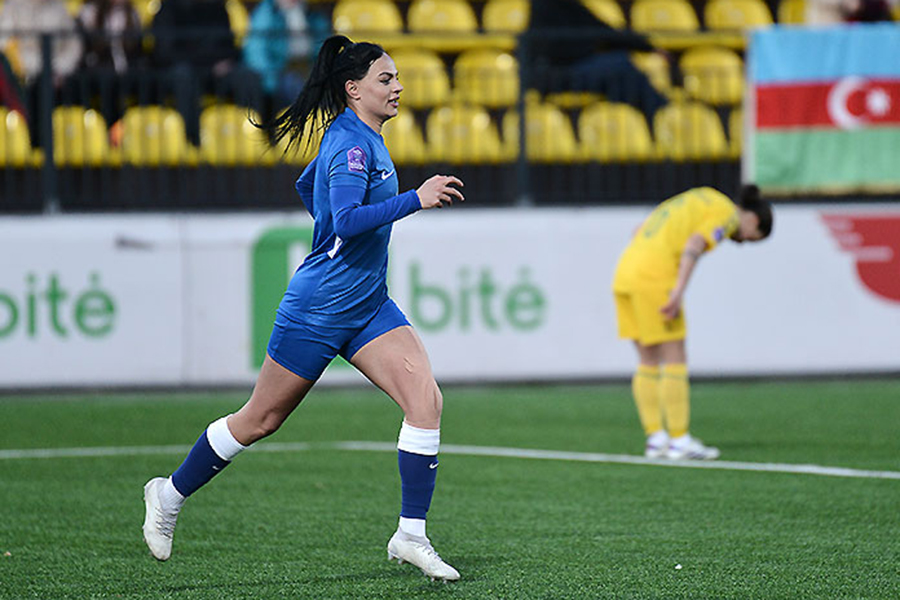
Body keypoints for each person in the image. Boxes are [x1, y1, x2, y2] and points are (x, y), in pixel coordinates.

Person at [142, 34, 465, 582]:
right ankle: (168, 495)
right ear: (354, 88)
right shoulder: (353, 146)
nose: (398, 87)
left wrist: (338, 236)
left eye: (396, 78)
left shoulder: (359, 136)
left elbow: (306, 183)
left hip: (367, 303)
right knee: (260, 420)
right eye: (386, 79)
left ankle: (411, 535)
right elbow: (346, 220)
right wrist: (415, 198)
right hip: (319, 308)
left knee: (425, 400)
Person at [612, 185, 773, 460]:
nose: (741, 241)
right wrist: (677, 290)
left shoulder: (701, 196)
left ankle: (656, 439)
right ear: (754, 219)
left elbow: (638, 230)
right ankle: (679, 440)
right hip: (655, 277)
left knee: (647, 360)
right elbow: (695, 243)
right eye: (750, 237)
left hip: (625, 273)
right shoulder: (727, 214)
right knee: (675, 356)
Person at [527, 0, 669, 124]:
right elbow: (601, 31)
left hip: (561, 73)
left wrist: (647, 47)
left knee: (620, 71)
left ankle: (654, 120)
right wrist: (649, 48)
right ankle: (662, 115)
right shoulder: (554, 4)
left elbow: (600, 31)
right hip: (558, 76)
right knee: (620, 64)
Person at [150, 0, 264, 144]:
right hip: (184, 70)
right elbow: (164, 53)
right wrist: (205, 62)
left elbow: (228, 45)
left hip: (215, 71)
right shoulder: (168, 8)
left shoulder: (217, 7)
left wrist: (225, 61)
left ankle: (254, 137)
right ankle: (191, 141)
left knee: (248, 77)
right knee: (184, 76)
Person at [0, 0, 83, 143]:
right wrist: (29, 66)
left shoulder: (59, 8)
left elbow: (74, 46)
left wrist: (59, 68)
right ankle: (35, 142)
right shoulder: (13, 7)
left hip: (57, 74)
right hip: (23, 75)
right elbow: (4, 42)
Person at [65, 0, 144, 126]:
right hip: (98, 75)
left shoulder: (133, 14)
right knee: (106, 81)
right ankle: (107, 128)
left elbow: (137, 52)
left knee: (147, 80)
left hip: (127, 74)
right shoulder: (89, 13)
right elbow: (84, 52)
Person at [243, 0, 312, 121]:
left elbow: (320, 47)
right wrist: (271, 80)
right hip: (277, 75)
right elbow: (256, 53)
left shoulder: (311, 14)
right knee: (296, 86)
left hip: (307, 70)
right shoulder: (266, 14)